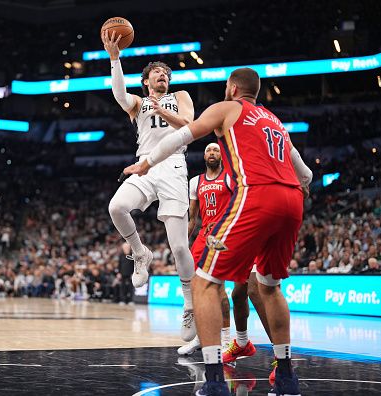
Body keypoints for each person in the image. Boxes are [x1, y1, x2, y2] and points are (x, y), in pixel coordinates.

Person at [124, 67, 313, 396]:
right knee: (269, 287)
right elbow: (304, 171)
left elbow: (183, 136)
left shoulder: (226, 108)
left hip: (259, 195)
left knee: (204, 282)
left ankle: (213, 379)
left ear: (233, 87)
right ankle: (285, 375)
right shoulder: (274, 120)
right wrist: (303, 186)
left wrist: (147, 162)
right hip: (293, 201)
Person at [102, 30, 197, 341]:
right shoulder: (139, 103)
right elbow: (118, 95)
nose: (162, 77)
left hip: (173, 166)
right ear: (146, 81)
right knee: (116, 207)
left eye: (165, 74)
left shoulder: (179, 97)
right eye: (157, 74)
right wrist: (115, 59)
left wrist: (163, 111)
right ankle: (140, 253)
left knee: (180, 246)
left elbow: (189, 126)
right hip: (144, 165)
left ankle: (189, 304)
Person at [178, 143, 232, 356]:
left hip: (223, 235)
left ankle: (227, 341)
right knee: (196, 289)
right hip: (202, 236)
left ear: (221, 156)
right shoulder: (195, 182)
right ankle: (201, 337)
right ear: (203, 156)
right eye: (209, 150)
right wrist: (182, 243)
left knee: (219, 290)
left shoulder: (229, 178)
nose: (212, 153)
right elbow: (192, 218)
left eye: (216, 150)